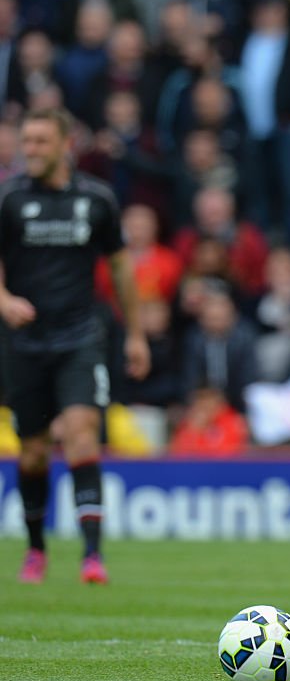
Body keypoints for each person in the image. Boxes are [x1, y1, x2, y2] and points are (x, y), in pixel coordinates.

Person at [0, 107, 150, 585]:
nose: (31, 151)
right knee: (33, 453)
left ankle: (91, 556)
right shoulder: (9, 198)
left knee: (83, 433)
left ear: (66, 144)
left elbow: (122, 270)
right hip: (25, 343)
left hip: (81, 336)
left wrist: (136, 333)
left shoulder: (97, 199)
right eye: (27, 142)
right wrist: (3, 300)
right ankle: (37, 549)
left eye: (41, 142)